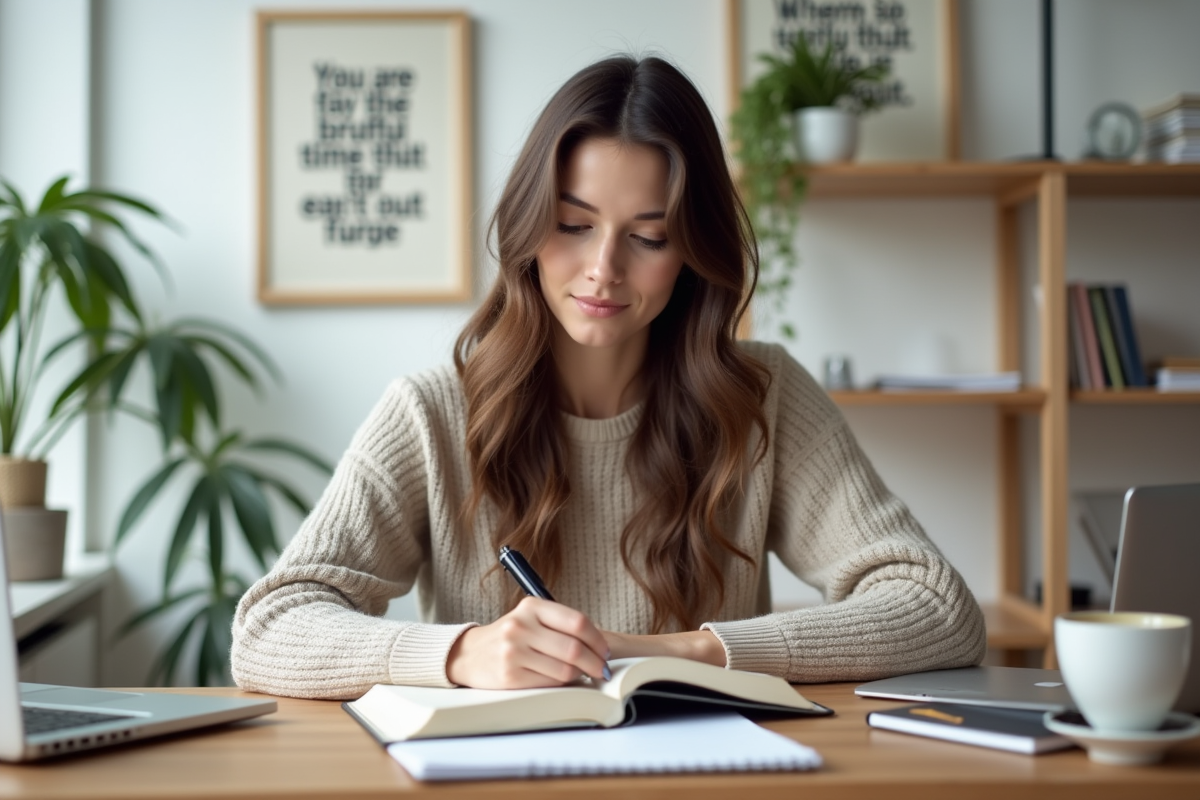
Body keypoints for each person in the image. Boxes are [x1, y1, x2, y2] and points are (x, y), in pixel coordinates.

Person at [231, 55, 986, 699]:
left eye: (648, 237)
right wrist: (461, 656)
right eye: (573, 224)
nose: (603, 270)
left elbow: (937, 607)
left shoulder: (763, 396)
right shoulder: (431, 412)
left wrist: (690, 653)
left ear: (691, 250)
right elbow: (269, 627)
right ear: (530, 224)